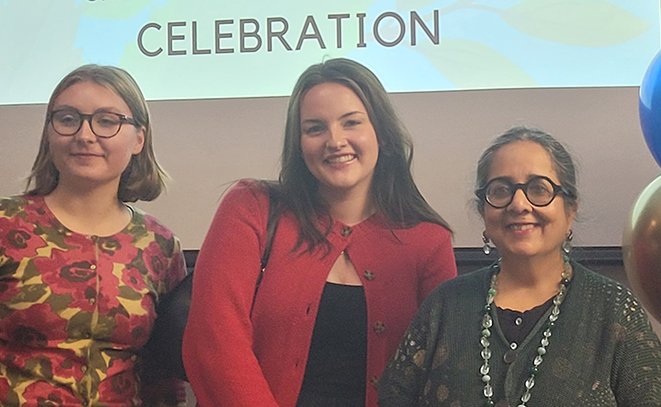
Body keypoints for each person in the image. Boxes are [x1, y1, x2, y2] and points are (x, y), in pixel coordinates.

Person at [182, 58, 457, 407]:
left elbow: (442, 374)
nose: (335, 141)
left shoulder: (428, 242)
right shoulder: (250, 207)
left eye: (352, 123)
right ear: (299, 145)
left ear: (383, 136)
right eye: (315, 128)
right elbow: (214, 340)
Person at [0, 64, 187, 406]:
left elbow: (165, 385)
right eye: (68, 119)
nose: (85, 135)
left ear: (139, 139)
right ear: (49, 133)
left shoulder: (160, 247)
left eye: (107, 121)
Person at [378, 126, 661, 406]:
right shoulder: (444, 306)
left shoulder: (615, 310)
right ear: (483, 211)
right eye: (501, 190)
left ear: (570, 210)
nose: (519, 204)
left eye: (539, 189)